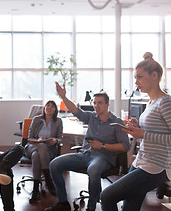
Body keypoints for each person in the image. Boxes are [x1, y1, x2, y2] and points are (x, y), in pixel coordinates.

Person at [100, 52, 171, 211]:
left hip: (157, 168)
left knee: (106, 196)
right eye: (135, 78)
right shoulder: (151, 102)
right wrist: (138, 127)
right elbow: (156, 131)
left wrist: (143, 134)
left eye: (139, 77)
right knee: (129, 208)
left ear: (154, 75)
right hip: (142, 162)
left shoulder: (166, 102)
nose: (136, 82)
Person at [44, 83, 130, 211]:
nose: (96, 106)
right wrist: (63, 97)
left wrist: (102, 146)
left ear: (107, 104)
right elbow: (75, 110)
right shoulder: (91, 117)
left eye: (99, 103)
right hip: (85, 154)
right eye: (94, 103)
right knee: (54, 164)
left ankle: (91, 207)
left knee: (93, 170)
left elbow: (125, 146)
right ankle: (63, 203)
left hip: (103, 157)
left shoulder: (116, 122)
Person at [24, 100, 63, 203]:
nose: (49, 108)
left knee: (36, 156)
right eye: (47, 105)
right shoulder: (37, 119)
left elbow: (60, 138)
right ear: (44, 108)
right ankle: (48, 180)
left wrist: (55, 140)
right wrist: (38, 140)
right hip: (33, 146)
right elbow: (29, 137)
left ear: (55, 110)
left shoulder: (58, 121)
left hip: (48, 149)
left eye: (52, 106)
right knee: (41, 145)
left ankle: (35, 189)